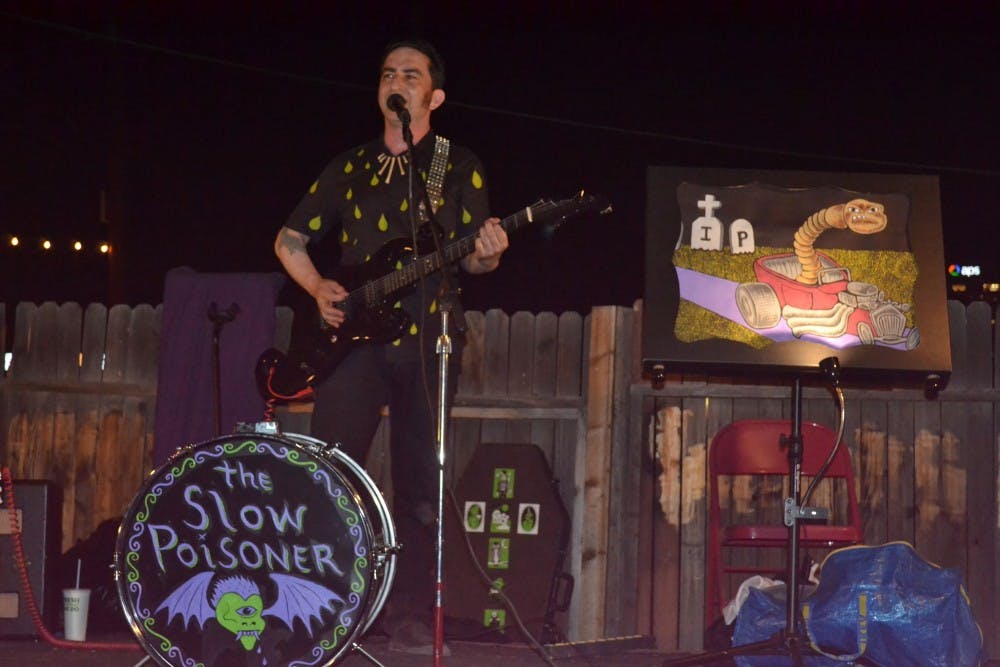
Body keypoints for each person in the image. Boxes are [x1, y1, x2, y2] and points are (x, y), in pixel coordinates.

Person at [273, 39, 508, 655]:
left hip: (430, 336)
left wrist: (486, 256)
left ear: (434, 96)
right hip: (351, 341)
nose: (394, 80)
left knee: (419, 487)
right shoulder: (348, 166)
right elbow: (289, 240)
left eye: (410, 73)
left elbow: (477, 263)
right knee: (331, 474)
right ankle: (320, 607)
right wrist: (318, 285)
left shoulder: (456, 167)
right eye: (386, 73)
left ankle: (407, 617)